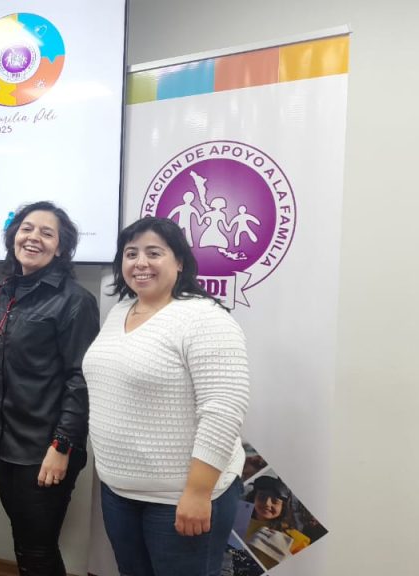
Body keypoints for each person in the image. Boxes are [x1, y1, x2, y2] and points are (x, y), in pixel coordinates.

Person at [83, 216, 250, 576]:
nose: (140, 262)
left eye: (154, 253)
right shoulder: (120, 311)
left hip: (179, 498)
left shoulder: (204, 317)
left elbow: (223, 410)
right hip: (119, 493)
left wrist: (198, 492)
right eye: (131, 253)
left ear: (180, 262)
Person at [0, 201, 99, 575]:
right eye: (26, 229)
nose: (33, 238)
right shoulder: (6, 292)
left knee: (37, 549)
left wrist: (62, 446)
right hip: (5, 442)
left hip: (45, 447)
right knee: (26, 543)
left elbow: (80, 380)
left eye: (47, 233)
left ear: (60, 248)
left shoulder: (75, 301)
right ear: (14, 236)